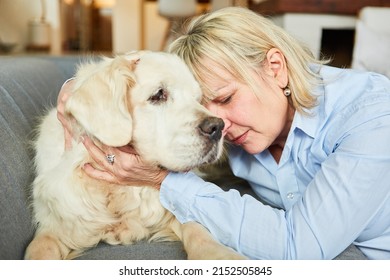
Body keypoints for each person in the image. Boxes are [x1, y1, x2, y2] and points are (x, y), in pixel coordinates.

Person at [57, 7, 390, 259]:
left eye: (227, 98)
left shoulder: (372, 116)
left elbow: (299, 248)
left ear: (275, 68)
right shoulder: (250, 125)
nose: (221, 127)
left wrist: (161, 180)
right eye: (205, 107)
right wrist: (85, 89)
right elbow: (150, 85)